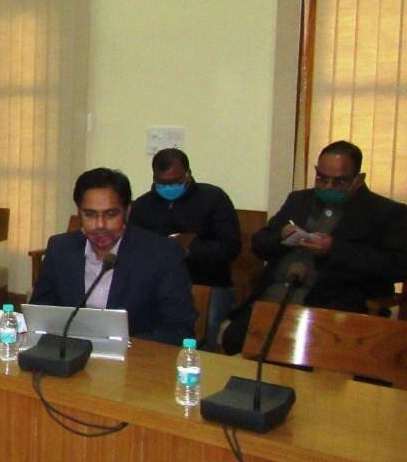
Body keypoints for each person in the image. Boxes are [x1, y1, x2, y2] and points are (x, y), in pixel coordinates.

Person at [221, 140, 407, 353]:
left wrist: (334, 249)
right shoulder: (299, 200)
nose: (328, 187)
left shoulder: (386, 212)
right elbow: (260, 244)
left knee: (297, 351)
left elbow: (397, 266)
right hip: (272, 298)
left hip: (330, 308)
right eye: (322, 178)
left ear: (359, 179)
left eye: (339, 182)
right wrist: (281, 236)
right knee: (233, 340)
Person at [31, 168, 195, 346]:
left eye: (111, 214)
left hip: (134, 356)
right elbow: (39, 314)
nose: (100, 225)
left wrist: (120, 345)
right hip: (70, 352)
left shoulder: (162, 254)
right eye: (90, 214)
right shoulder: (61, 249)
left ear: (127, 212)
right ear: (79, 213)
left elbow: (180, 330)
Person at [129, 148, 240, 348]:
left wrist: (191, 250)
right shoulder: (142, 206)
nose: (169, 187)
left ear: (188, 174)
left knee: (206, 329)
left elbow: (231, 247)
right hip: (157, 283)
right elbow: (133, 248)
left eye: (175, 181)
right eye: (162, 182)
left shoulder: (214, 198)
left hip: (208, 281)